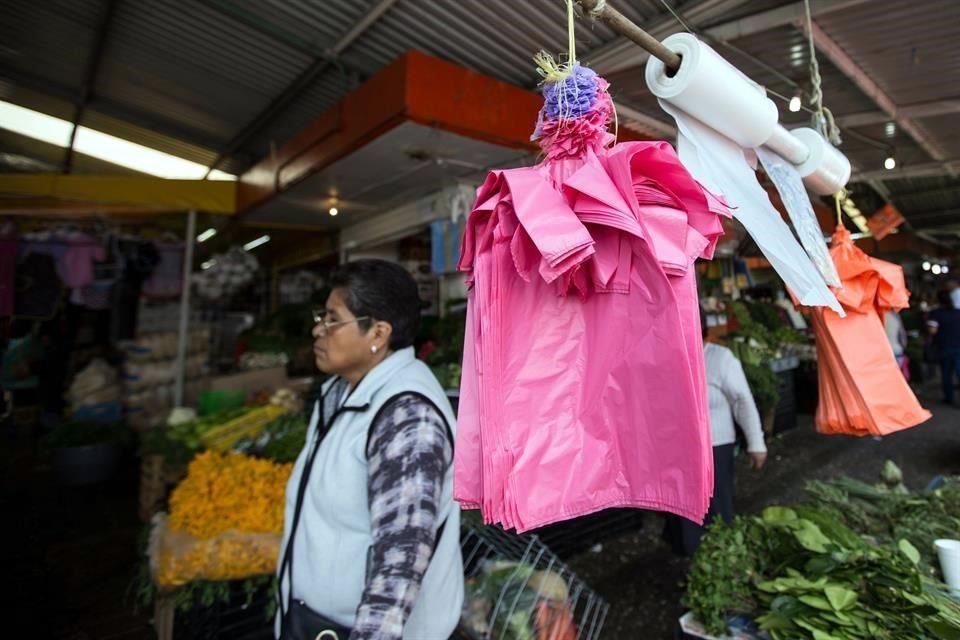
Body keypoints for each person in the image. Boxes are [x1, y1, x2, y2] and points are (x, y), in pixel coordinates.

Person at [276, 259, 463, 640]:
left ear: (378, 332)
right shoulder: (341, 392)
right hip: (317, 624)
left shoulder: (408, 419)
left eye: (332, 319)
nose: (318, 330)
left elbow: (400, 563)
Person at [664, 312, 768, 557]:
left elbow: (743, 402)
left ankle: (721, 557)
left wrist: (756, 443)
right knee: (682, 511)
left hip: (715, 449)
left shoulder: (720, 359)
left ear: (701, 327)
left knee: (717, 509)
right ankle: (691, 559)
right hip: (677, 451)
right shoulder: (667, 358)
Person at [927, 288, 960, 404]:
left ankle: (949, 398)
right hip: (958, 346)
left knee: (947, 374)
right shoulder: (958, 312)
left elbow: (932, 330)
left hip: (944, 346)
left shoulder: (936, 313)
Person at [884, 309, 909, 380]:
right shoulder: (894, 315)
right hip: (896, 350)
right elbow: (902, 336)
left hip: (882, 353)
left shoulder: (874, 316)